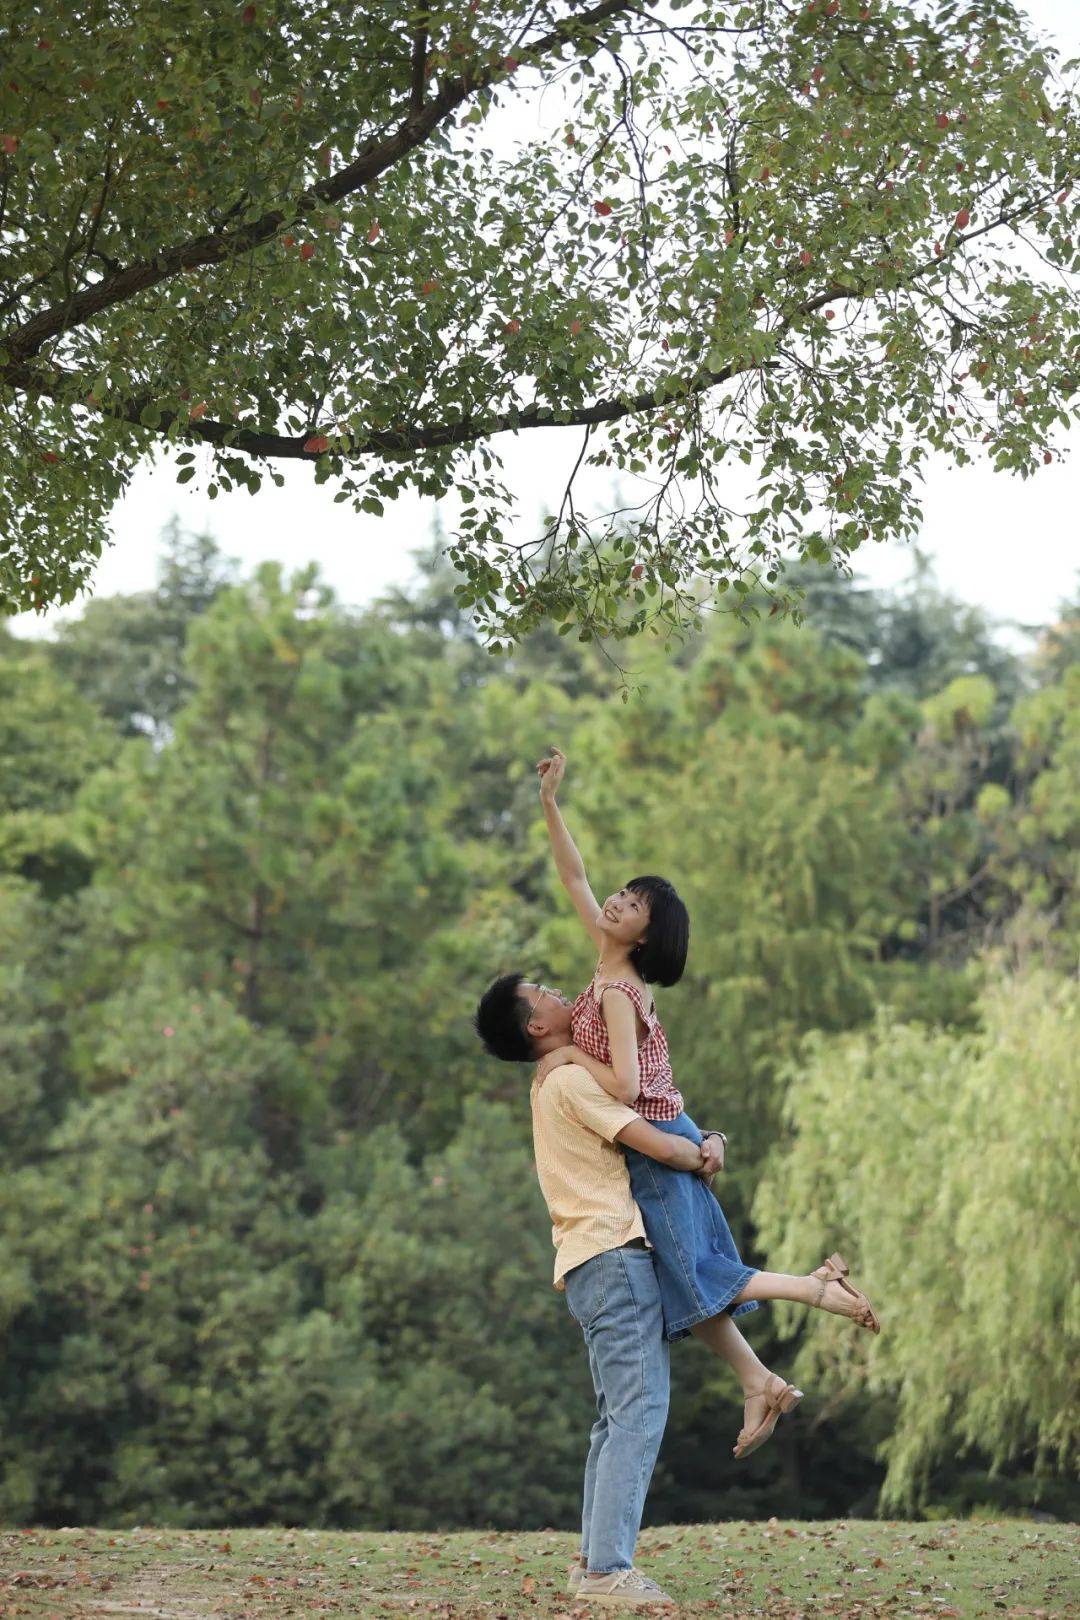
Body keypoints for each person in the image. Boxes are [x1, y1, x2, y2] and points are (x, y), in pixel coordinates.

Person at [501, 747, 880, 1462]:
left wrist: (566, 1057)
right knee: (683, 1274)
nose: (612, 901)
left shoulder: (617, 992)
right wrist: (550, 803)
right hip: (665, 1127)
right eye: (620, 894)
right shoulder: (607, 964)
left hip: (655, 1135)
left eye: (631, 905)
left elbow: (617, 1088)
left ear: (643, 935)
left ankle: (814, 1288)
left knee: (698, 1270)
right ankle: (758, 1380)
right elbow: (572, 875)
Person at [474, 981, 716, 1607]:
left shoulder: (552, 1082)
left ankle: (592, 1562)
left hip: (588, 1263)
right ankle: (609, 1570)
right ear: (536, 1026)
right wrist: (709, 1149)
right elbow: (659, 1143)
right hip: (613, 1255)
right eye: (545, 993)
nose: (560, 993)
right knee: (637, 1413)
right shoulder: (571, 1082)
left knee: (614, 1420)